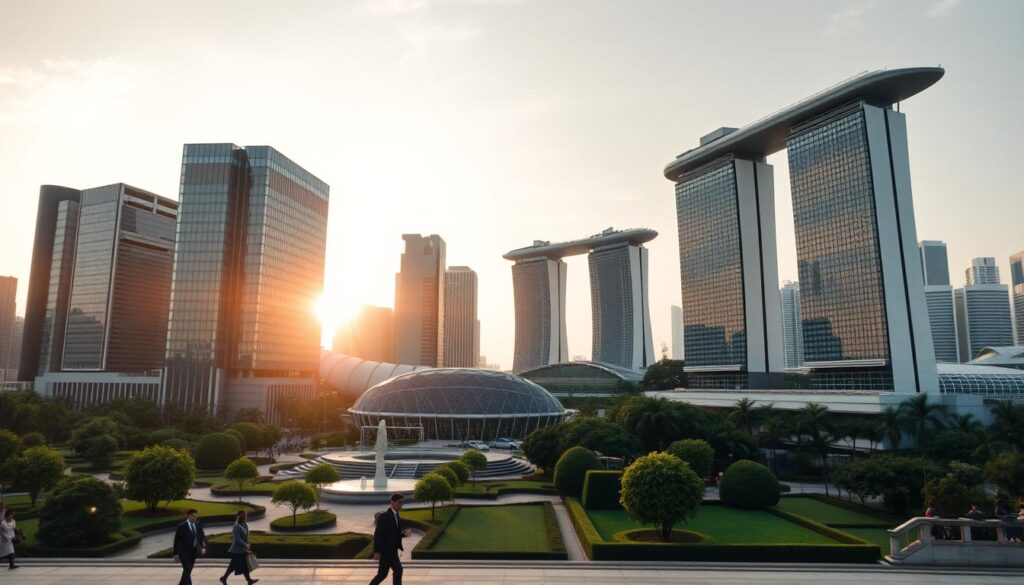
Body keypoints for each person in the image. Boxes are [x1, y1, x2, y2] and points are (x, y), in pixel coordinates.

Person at [368, 493, 411, 585]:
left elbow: (394, 533)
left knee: (394, 571)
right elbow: (378, 535)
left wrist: (403, 534)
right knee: (384, 574)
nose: (401, 505)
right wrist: (377, 552)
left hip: (393, 551)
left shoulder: (397, 516)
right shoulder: (384, 517)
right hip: (385, 552)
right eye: (399, 502)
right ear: (392, 502)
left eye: (402, 502)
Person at [220, 510, 258, 585]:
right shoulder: (236, 526)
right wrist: (245, 544)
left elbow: (246, 535)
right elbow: (237, 539)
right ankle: (248, 580)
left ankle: (224, 578)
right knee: (242, 566)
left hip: (242, 549)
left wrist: (247, 543)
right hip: (237, 550)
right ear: (241, 516)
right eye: (245, 515)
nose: (246, 517)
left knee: (234, 565)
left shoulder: (244, 524)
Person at [173, 508, 207, 585]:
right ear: (188, 516)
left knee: (188, 570)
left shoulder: (198, 524)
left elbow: (201, 536)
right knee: (187, 568)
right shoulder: (181, 526)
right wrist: (175, 554)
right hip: (183, 553)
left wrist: (203, 547)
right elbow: (176, 540)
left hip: (193, 552)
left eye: (196, 516)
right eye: (193, 516)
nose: (195, 518)